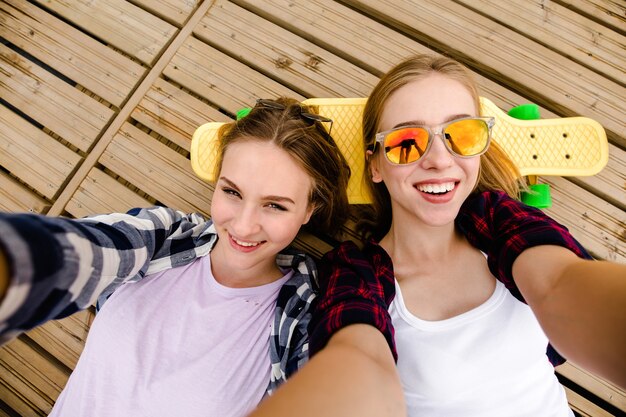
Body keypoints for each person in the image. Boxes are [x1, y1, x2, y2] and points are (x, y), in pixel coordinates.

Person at [302, 54, 626, 416]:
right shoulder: (357, 275)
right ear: (375, 163)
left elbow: (559, 282)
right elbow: (352, 364)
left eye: (462, 135)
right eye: (406, 142)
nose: (440, 160)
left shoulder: (502, 222)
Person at [0, 97, 353, 417]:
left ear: (310, 209)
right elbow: (72, 254)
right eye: (231, 192)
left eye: (275, 205)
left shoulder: (300, 315)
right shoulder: (163, 238)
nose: (244, 227)